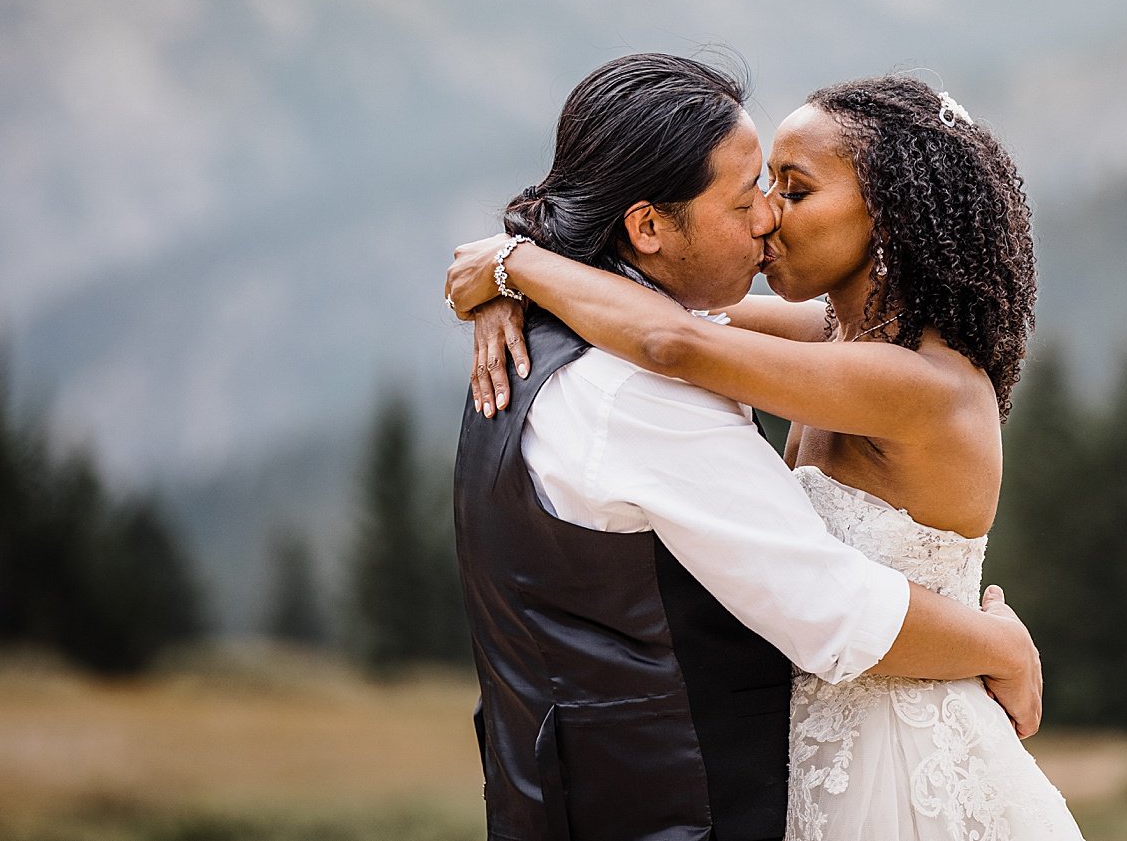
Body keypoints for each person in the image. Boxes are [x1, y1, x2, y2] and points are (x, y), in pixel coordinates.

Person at [449, 69, 1085, 839]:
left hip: (904, 747)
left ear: (890, 218)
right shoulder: (831, 337)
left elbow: (671, 338)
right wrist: (510, 269)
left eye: (793, 189)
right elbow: (670, 320)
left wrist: (515, 263)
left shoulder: (920, 383)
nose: (767, 217)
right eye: (757, 188)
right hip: (817, 745)